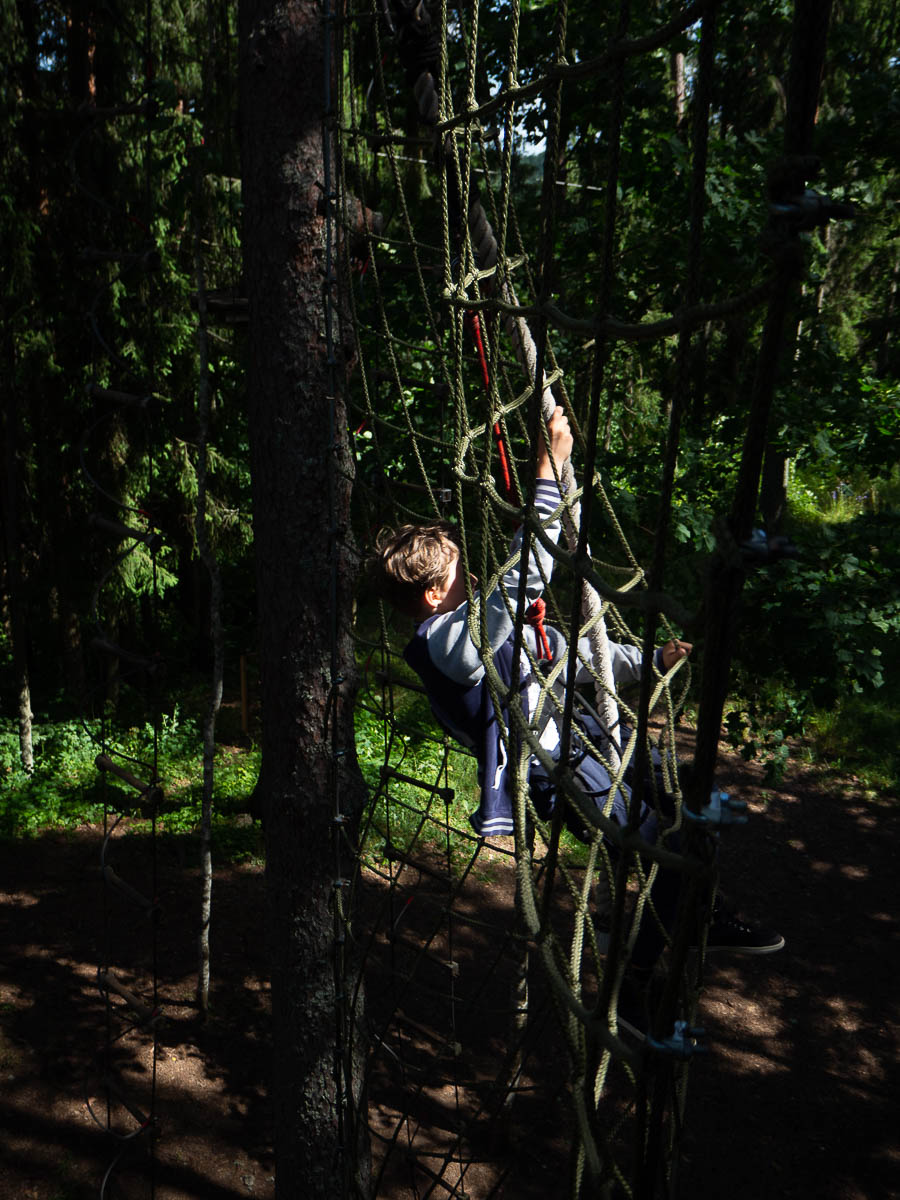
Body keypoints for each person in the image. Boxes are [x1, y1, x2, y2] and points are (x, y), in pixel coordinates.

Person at [369, 407, 783, 1032]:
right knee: (663, 845)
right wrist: (548, 472)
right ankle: (638, 980)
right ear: (432, 595)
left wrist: (649, 661)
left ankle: (691, 917)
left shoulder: (480, 632)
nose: (474, 576)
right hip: (553, 768)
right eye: (457, 574)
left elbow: (577, 656)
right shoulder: (445, 645)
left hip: (584, 739)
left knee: (689, 805)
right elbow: (521, 579)